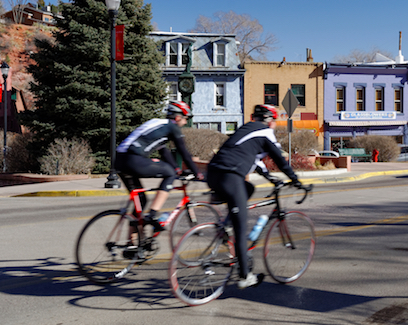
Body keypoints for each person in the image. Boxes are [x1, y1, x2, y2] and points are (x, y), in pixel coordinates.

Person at [206, 104, 303, 289]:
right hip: (229, 176)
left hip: (213, 174)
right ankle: (245, 276)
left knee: (248, 188)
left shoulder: (245, 129)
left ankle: (225, 226)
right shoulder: (266, 132)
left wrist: (269, 177)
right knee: (241, 228)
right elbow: (279, 159)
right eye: (274, 121)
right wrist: (295, 179)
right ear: (270, 120)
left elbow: (255, 159)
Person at [115, 101, 200, 231]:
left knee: (141, 202)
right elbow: (184, 153)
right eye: (185, 119)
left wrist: (178, 170)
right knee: (169, 172)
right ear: (178, 117)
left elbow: (164, 152)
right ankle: (153, 214)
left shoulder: (157, 124)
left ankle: (132, 245)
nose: (185, 123)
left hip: (120, 160)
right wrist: (197, 173)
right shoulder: (172, 127)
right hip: (133, 159)